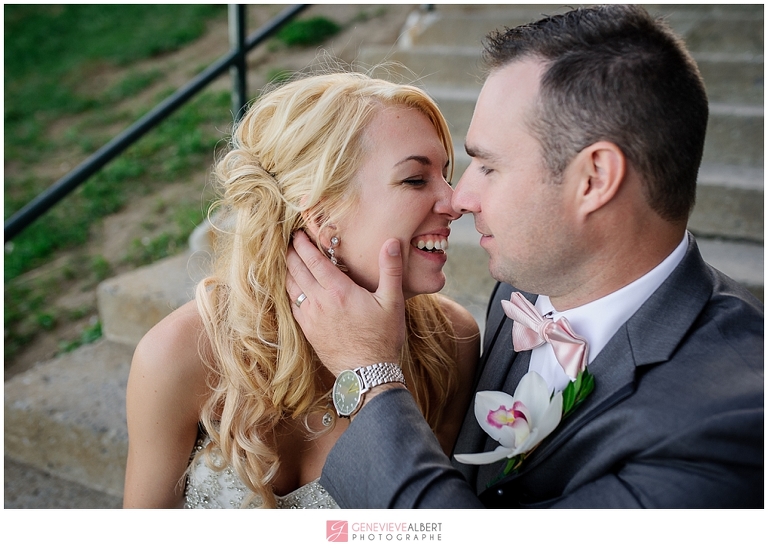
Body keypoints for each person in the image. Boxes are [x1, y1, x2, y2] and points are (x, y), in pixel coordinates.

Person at [285, 5, 764, 508]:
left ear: (594, 179)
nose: (459, 199)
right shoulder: (524, 287)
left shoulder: (729, 422)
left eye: (488, 167)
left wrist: (370, 375)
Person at [122, 72, 480, 509]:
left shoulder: (450, 342)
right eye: (416, 179)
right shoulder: (179, 354)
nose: (456, 200)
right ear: (320, 214)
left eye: (445, 174)